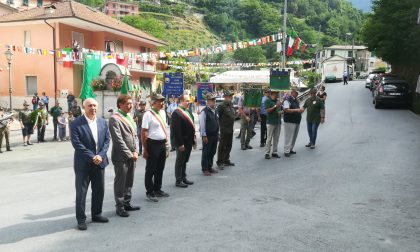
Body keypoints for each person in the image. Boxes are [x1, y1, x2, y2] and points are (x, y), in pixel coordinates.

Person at [70, 98, 110, 231]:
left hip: (100, 162)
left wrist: (101, 155)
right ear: (84, 107)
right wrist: (93, 157)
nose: (92, 108)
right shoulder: (76, 123)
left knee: (99, 190)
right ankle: (81, 220)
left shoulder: (102, 122)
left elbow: (106, 141)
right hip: (84, 164)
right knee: (81, 193)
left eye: (94, 105)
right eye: (89, 106)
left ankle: (97, 214)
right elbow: (77, 144)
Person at [109, 95, 141, 217]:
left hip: (132, 155)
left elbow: (135, 136)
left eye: (130, 103)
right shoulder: (114, 119)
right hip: (120, 157)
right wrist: (129, 154)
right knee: (120, 182)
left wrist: (136, 151)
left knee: (129, 181)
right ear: (120, 105)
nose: (130, 106)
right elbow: (118, 140)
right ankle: (120, 206)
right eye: (127, 103)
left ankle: (127, 202)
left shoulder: (129, 117)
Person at [141, 93, 170, 202]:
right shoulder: (148, 114)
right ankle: (149, 192)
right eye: (160, 101)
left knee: (160, 168)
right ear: (153, 102)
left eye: (163, 100)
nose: (162, 103)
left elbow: (164, 129)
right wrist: (145, 148)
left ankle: (157, 189)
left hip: (162, 143)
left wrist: (167, 144)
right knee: (151, 169)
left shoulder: (162, 112)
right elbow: (143, 132)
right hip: (152, 144)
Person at [170, 94, 196, 187]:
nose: (188, 102)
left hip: (188, 141)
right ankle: (178, 180)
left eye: (189, 101)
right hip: (182, 142)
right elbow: (176, 131)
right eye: (187, 101)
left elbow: (192, 126)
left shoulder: (188, 111)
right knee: (180, 161)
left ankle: (184, 177)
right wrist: (180, 144)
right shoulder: (176, 113)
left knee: (185, 160)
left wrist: (193, 140)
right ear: (181, 101)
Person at [199, 93, 219, 176]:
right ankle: (205, 169)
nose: (214, 102)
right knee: (206, 152)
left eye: (214, 100)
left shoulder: (215, 110)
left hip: (215, 135)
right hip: (208, 136)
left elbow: (217, 122)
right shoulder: (204, 112)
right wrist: (203, 135)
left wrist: (218, 133)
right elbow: (202, 124)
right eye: (212, 100)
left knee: (213, 151)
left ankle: (210, 166)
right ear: (207, 102)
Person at [216, 90, 236, 169]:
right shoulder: (221, 106)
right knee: (222, 146)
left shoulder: (231, 104)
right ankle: (220, 161)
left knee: (229, 145)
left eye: (231, 96)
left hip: (230, 128)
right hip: (224, 129)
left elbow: (232, 115)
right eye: (229, 96)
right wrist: (219, 129)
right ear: (225, 97)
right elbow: (218, 118)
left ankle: (226, 159)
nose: (231, 97)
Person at [283, 89, 304, 157]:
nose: (297, 94)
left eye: (297, 92)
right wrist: (297, 110)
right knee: (289, 136)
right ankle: (286, 150)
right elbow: (286, 110)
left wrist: (300, 110)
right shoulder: (287, 99)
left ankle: (290, 149)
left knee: (294, 136)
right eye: (296, 92)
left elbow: (297, 108)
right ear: (292, 93)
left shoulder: (296, 100)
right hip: (289, 120)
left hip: (296, 120)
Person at [264, 90, 282, 159]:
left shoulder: (277, 101)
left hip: (278, 122)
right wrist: (275, 106)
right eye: (276, 93)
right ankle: (267, 153)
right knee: (269, 138)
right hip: (271, 122)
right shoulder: (268, 101)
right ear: (273, 94)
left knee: (276, 138)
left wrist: (281, 112)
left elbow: (279, 110)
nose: (277, 94)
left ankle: (274, 152)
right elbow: (268, 110)